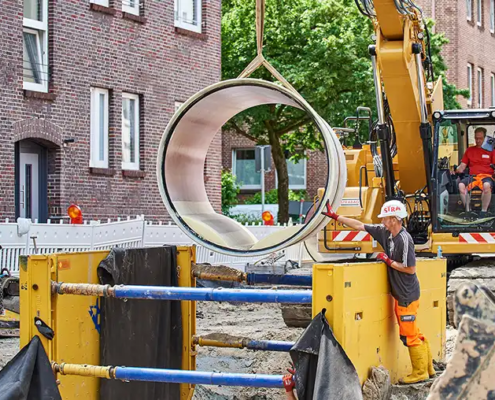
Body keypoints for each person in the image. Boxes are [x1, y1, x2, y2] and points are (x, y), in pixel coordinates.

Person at [322, 199, 435, 384]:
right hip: (402, 294)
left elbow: (410, 269)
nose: (382, 221)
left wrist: (388, 261)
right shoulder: (385, 233)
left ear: (394, 219)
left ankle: (420, 372)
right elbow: (359, 225)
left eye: (385, 218)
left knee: (409, 334)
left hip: (406, 294)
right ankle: (428, 369)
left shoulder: (405, 240)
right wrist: (336, 216)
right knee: (413, 331)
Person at [455, 127, 495, 216]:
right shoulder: (469, 150)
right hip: (473, 177)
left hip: (487, 177)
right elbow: (462, 167)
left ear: (485, 138)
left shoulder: (492, 151)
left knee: (487, 185)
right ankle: (468, 211)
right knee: (461, 185)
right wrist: (455, 171)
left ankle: (483, 212)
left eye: (480, 138)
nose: (478, 141)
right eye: (476, 138)